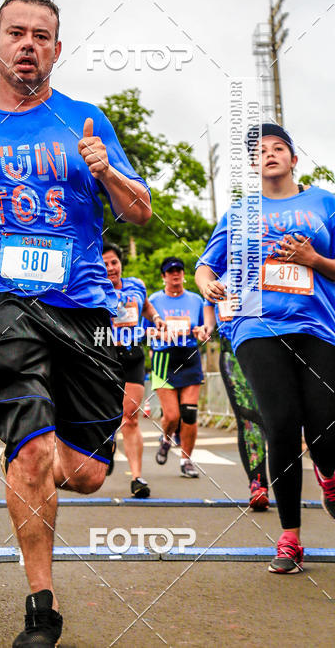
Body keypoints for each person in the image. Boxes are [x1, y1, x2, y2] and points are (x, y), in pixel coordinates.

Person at [0, 0, 151, 647]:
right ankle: (41, 604)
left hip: (87, 307)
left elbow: (140, 212)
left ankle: (43, 459)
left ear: (57, 50)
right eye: (17, 32)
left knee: (86, 473)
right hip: (4, 297)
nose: (29, 44)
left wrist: (111, 176)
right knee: (34, 451)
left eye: (42, 35)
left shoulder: (87, 121)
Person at [196, 123, 335, 573]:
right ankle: (290, 537)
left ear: (294, 160)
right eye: (260, 151)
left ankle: (329, 476)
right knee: (280, 423)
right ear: (253, 164)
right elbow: (205, 266)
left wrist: (313, 260)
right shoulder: (238, 214)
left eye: (279, 148)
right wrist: (209, 287)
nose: (269, 154)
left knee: (324, 428)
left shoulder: (324, 203)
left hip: (318, 327)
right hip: (256, 327)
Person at [101, 241, 165, 498]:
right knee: (106, 415)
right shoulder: (91, 288)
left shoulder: (136, 284)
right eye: (104, 264)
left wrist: (157, 318)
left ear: (120, 263)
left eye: (113, 262)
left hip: (132, 355)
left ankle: (137, 478)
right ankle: (107, 445)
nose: (110, 268)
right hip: (104, 355)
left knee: (130, 418)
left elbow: (146, 306)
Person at [203, 294, 269, 510]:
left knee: (279, 417)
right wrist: (207, 327)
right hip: (233, 350)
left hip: (274, 344)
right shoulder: (219, 266)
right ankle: (258, 484)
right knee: (249, 417)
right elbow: (208, 302)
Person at [147, 257, 210, 478]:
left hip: (189, 357)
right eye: (170, 271)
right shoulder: (154, 300)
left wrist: (201, 332)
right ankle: (166, 438)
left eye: (179, 271)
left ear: (184, 274)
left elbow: (204, 327)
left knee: (189, 414)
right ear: (163, 276)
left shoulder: (195, 300)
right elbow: (143, 331)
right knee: (172, 416)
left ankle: (186, 460)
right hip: (164, 358)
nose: (176, 274)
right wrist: (162, 333)